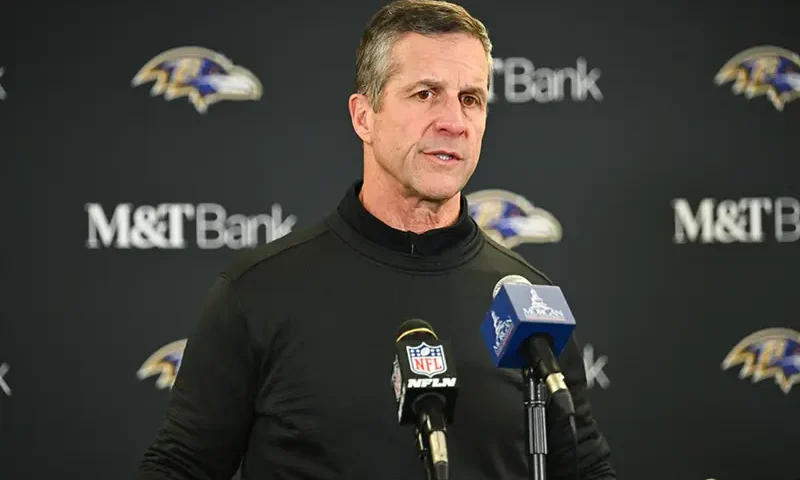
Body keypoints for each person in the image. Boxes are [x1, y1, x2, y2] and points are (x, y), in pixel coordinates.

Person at [135, 1, 616, 479]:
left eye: (470, 98)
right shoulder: (257, 293)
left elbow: (587, 469)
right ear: (364, 116)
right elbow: (180, 467)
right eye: (426, 93)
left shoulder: (528, 304)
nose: (454, 121)